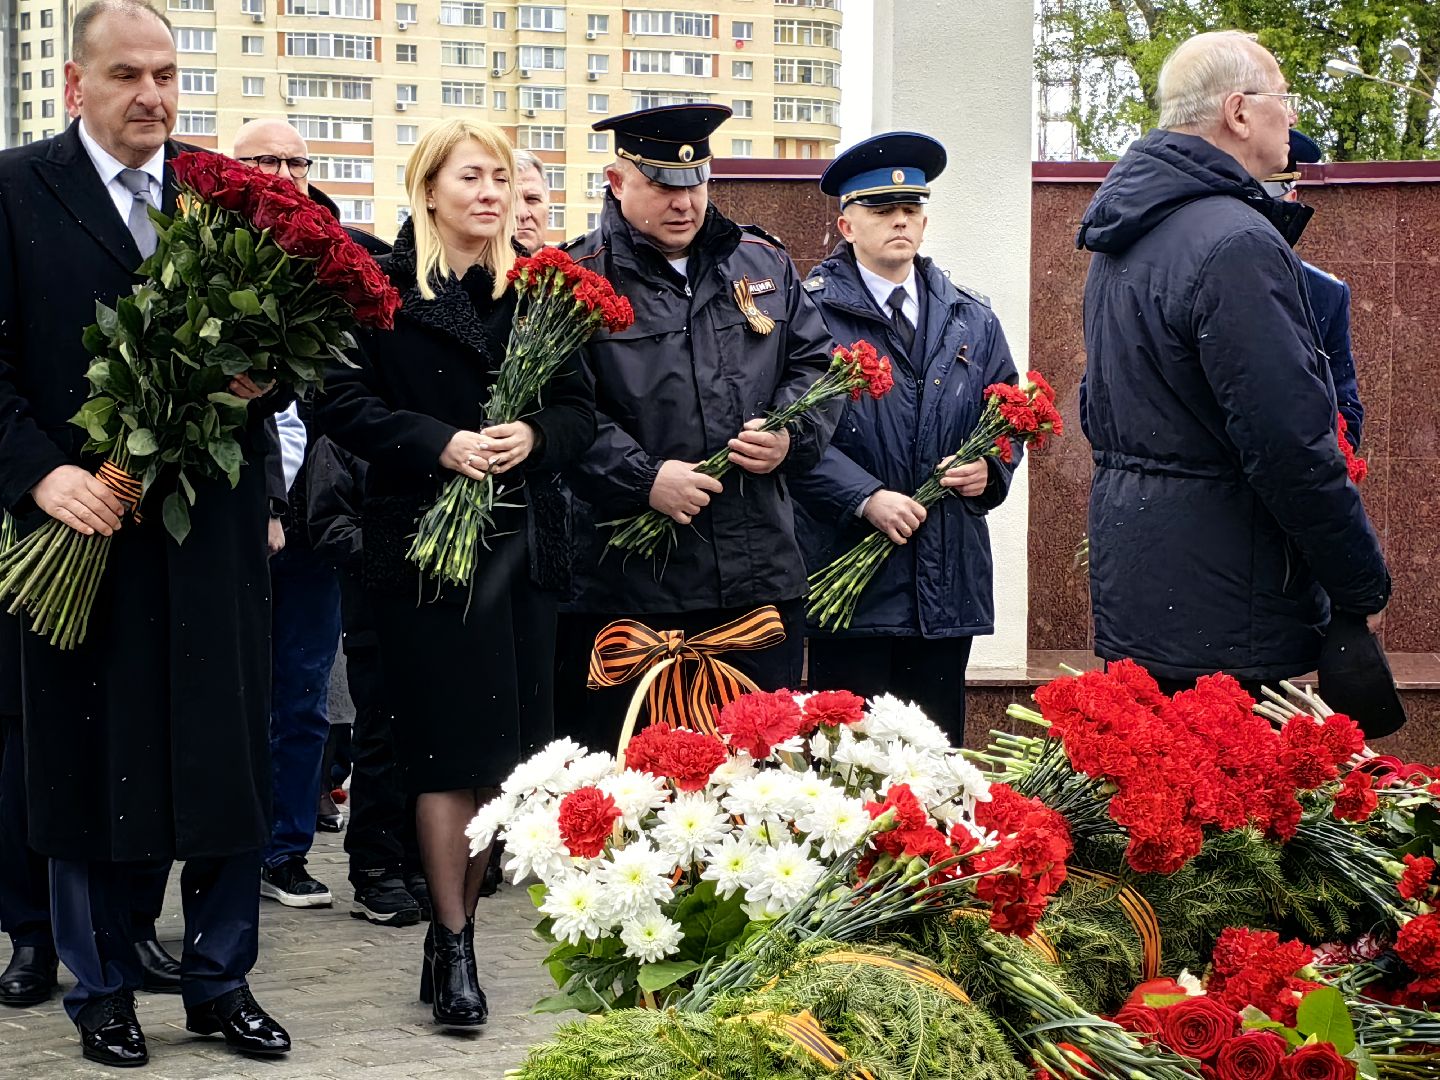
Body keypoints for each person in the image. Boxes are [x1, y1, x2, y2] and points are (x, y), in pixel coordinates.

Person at [0, 0, 291, 1065]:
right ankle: (103, 990)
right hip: (77, 535)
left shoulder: (226, 193)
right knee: (83, 762)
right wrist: (41, 476)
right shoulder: (14, 189)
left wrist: (268, 380)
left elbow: (289, 353)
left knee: (226, 758)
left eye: (166, 74)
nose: (152, 97)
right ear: (74, 85)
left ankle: (220, 984)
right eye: (127, 75)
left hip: (209, 536)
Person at [315, 118, 595, 1028]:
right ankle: (454, 938)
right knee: (447, 756)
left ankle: (457, 925)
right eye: (469, 177)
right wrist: (438, 443)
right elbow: (340, 401)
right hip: (429, 555)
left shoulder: (543, 292)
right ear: (427, 188)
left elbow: (583, 410)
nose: (489, 193)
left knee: (507, 767)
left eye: (500, 178)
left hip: (525, 552)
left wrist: (538, 436)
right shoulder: (380, 290)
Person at [1075, 30, 1390, 696]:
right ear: (1239, 112)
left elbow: (1098, 407)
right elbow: (1288, 442)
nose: (1294, 115)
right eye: (1284, 98)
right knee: (1229, 794)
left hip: (1145, 588)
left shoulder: (1127, 235)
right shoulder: (1235, 241)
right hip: (1227, 605)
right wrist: (1359, 579)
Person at [556, 104, 840, 749]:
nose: (684, 201)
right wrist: (642, 479)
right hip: (629, 586)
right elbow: (561, 406)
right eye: (662, 184)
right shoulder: (576, 277)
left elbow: (817, 365)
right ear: (616, 179)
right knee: (627, 789)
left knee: (754, 785)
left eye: (696, 182)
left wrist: (791, 436)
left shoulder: (760, 264)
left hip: (756, 575)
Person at [790, 132, 1021, 743]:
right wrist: (863, 496)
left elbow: (1008, 415)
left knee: (938, 762)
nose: (900, 221)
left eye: (911, 209)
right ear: (845, 224)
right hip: (852, 583)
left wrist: (990, 470)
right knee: (850, 769)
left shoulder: (971, 315)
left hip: (946, 582)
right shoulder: (808, 313)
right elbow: (790, 433)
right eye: (880, 209)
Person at [231, 119, 344, 911]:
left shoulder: (345, 259)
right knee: (227, 695)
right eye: (263, 160)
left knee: (302, 697)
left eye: (295, 160)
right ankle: (223, 850)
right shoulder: (199, 256)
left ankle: (285, 851)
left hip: (317, 525)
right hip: (229, 519)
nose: (282, 172)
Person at [306, 437, 428, 926]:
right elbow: (329, 524)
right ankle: (376, 868)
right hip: (377, 607)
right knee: (381, 735)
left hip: (443, 607)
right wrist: (402, 550)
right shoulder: (350, 430)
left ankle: (419, 859)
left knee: (432, 738)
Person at [1261, 128, 1363, 447]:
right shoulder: (1192, 274)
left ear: (1292, 197)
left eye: (1272, 195)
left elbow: (1346, 412)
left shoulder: (1324, 294)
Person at [513, 149, 550, 255]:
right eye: (510, 202)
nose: (522, 214)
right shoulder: (464, 269)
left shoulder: (573, 269)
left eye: (532, 199)